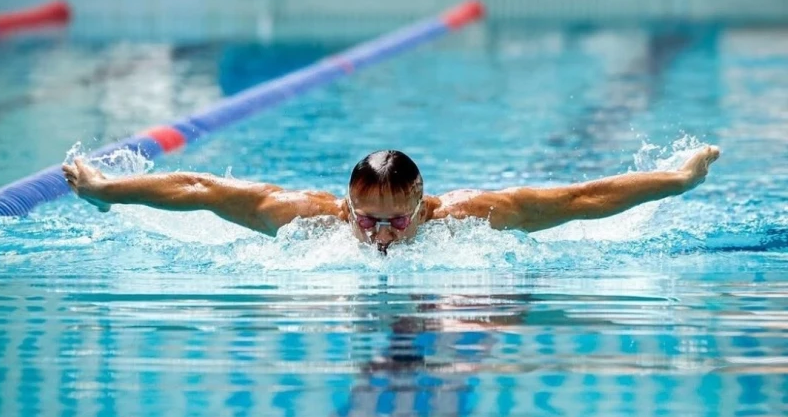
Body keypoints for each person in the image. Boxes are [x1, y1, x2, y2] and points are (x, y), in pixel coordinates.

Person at [62, 146, 720, 254]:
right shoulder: (304, 218)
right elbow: (200, 190)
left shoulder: (470, 218)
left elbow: (583, 197)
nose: (380, 236)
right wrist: (104, 190)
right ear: (346, 206)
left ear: (424, 203)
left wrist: (679, 178)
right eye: (367, 220)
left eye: (397, 220)